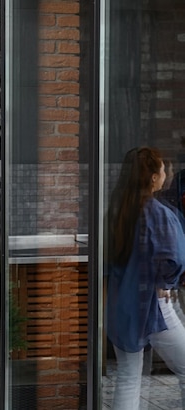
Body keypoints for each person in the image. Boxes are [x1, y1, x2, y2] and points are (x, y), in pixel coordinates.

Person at [106, 146, 185, 409]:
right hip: (153, 304)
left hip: (122, 303)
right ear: (153, 177)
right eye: (162, 168)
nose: (165, 172)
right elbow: (175, 256)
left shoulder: (118, 210)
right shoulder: (159, 213)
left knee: (128, 378)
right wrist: (166, 281)